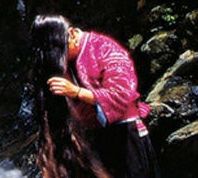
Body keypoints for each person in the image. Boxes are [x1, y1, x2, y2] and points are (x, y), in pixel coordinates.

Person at [30, 15, 160, 178]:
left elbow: (122, 94)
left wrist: (77, 92)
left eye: (62, 50)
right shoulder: (57, 65)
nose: (61, 58)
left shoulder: (104, 48)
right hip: (90, 140)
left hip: (126, 135)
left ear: (72, 34)